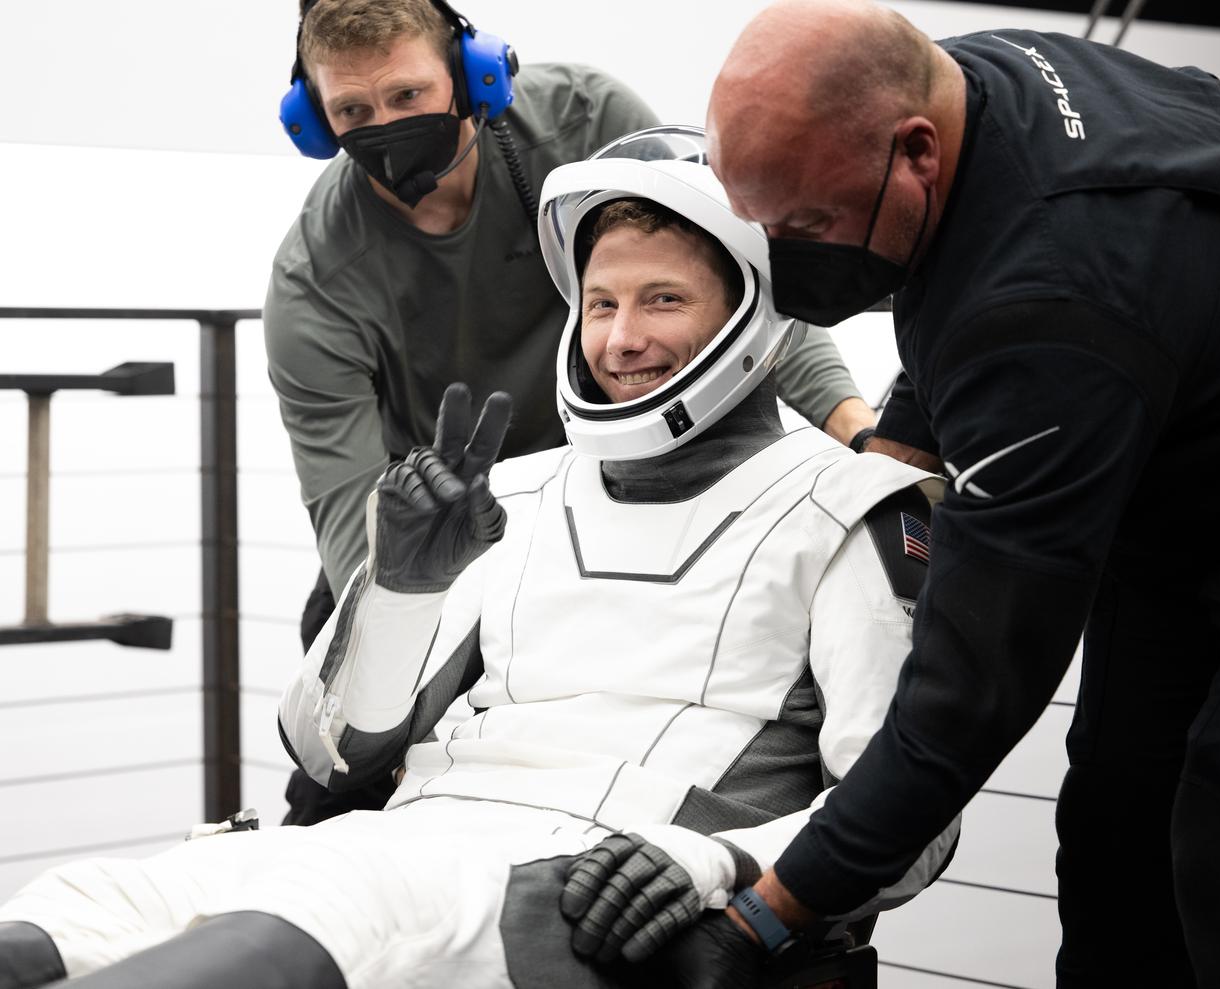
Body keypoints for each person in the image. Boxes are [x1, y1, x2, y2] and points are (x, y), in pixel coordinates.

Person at [0, 128, 955, 989]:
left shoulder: (849, 508)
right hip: (417, 840)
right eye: (601, 302)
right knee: (111, 894)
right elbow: (330, 753)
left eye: (663, 301)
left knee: (347, 893)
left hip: (594, 877)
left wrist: (719, 864)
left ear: (754, 316)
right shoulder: (516, 491)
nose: (622, 339)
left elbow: (912, 816)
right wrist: (402, 586)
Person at [704, 2, 1220, 985]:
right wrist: (872, 484)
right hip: (1193, 416)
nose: (786, 250)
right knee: (1114, 814)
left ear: (914, 151)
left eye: (806, 221)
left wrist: (772, 905)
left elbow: (970, 690)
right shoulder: (960, 82)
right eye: (761, 222)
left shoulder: (1048, 308)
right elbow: (952, 293)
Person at [264, 0, 878, 825]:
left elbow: (739, 279)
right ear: (314, 120)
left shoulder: (587, 121)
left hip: (612, 512)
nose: (385, 127)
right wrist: (402, 615)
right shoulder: (314, 277)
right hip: (440, 542)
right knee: (330, 805)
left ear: (473, 74)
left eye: (407, 96)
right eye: (352, 112)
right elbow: (352, 518)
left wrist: (868, 442)